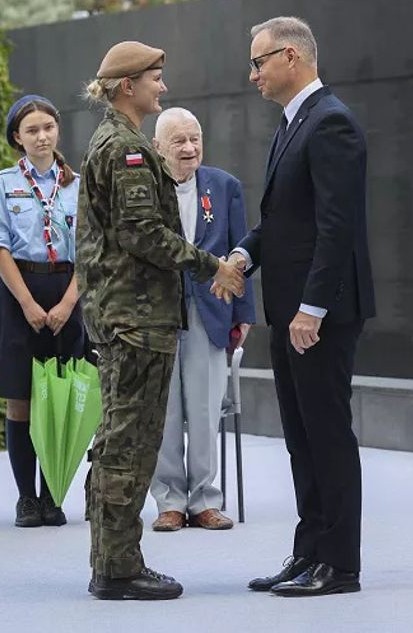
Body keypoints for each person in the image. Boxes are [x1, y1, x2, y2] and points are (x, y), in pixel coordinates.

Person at [76, 41, 245, 601]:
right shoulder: (125, 149)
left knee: (123, 443)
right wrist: (211, 266)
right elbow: (141, 234)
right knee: (130, 445)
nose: (162, 87)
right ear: (128, 85)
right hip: (135, 318)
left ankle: (113, 562)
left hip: (129, 316)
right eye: (155, 78)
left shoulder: (114, 141)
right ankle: (119, 570)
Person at [224, 16, 375, 597]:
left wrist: (313, 307)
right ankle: (309, 549)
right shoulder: (295, 123)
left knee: (327, 433)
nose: (253, 73)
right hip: (288, 311)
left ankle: (340, 563)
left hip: (320, 314)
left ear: (291, 57)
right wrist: (241, 256)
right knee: (301, 435)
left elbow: (337, 229)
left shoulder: (331, 124)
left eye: (259, 61)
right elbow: (284, 222)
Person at [0, 94, 86, 527]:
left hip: (66, 289)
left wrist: (66, 304)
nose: (41, 137)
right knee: (20, 399)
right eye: (31, 131)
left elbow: (89, 250)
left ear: (57, 131)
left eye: (48, 128)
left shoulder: (78, 183)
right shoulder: (2, 183)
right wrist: (26, 302)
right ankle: (27, 498)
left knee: (59, 398)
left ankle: (53, 491)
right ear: (17, 139)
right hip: (17, 290)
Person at [148, 107, 255, 533]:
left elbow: (240, 252)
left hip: (212, 312)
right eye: (179, 141)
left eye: (195, 138)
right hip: (158, 314)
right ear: (158, 147)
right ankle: (170, 501)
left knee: (207, 406)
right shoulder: (145, 188)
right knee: (165, 409)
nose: (190, 148)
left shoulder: (224, 186)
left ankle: (205, 500)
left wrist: (243, 314)